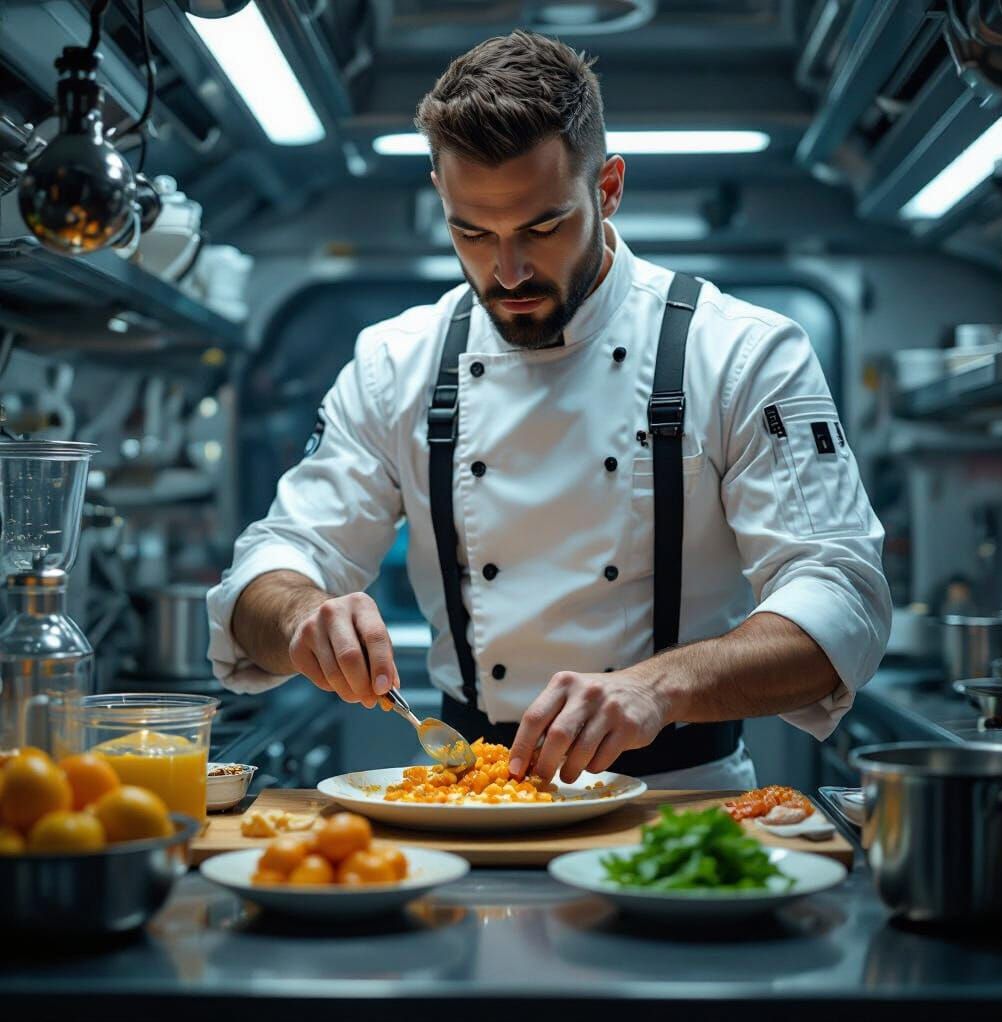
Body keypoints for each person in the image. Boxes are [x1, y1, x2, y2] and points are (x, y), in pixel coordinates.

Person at [207, 30, 891, 791]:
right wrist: (304, 615)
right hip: (470, 796)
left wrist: (659, 688)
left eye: (542, 227)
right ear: (440, 195)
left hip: (682, 802)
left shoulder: (741, 352)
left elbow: (842, 598)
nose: (507, 272)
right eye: (472, 232)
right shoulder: (395, 362)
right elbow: (272, 567)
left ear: (608, 188)